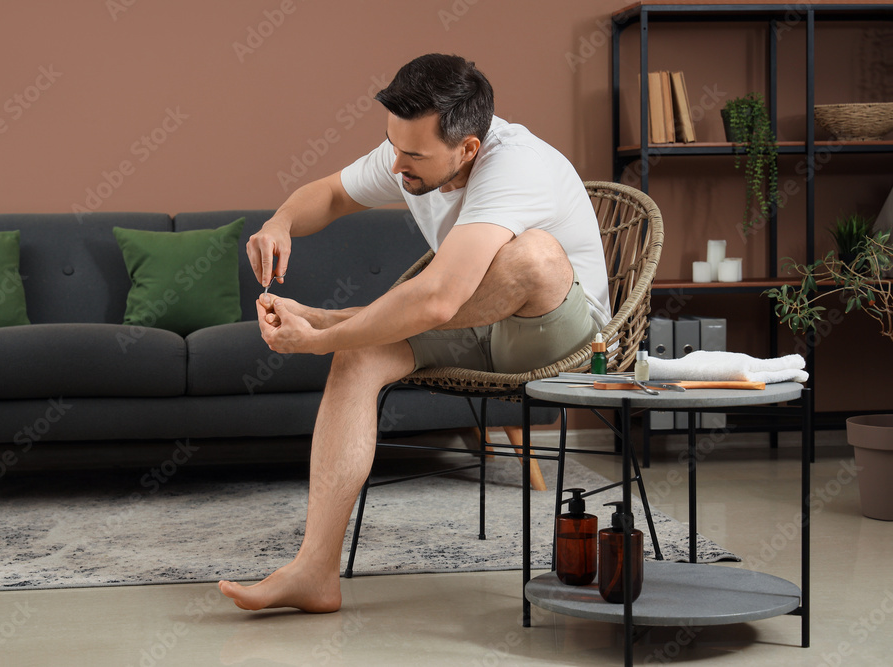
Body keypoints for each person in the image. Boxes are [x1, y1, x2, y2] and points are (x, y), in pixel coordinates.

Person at [218, 53, 611, 613]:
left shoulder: (517, 168)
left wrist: (322, 336)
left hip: (562, 335)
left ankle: (335, 321)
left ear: (468, 148)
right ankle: (313, 572)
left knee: (535, 256)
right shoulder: (411, 150)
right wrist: (278, 221)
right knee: (357, 358)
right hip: (478, 322)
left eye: (414, 155)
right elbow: (331, 194)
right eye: (393, 146)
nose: (397, 164)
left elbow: (439, 297)